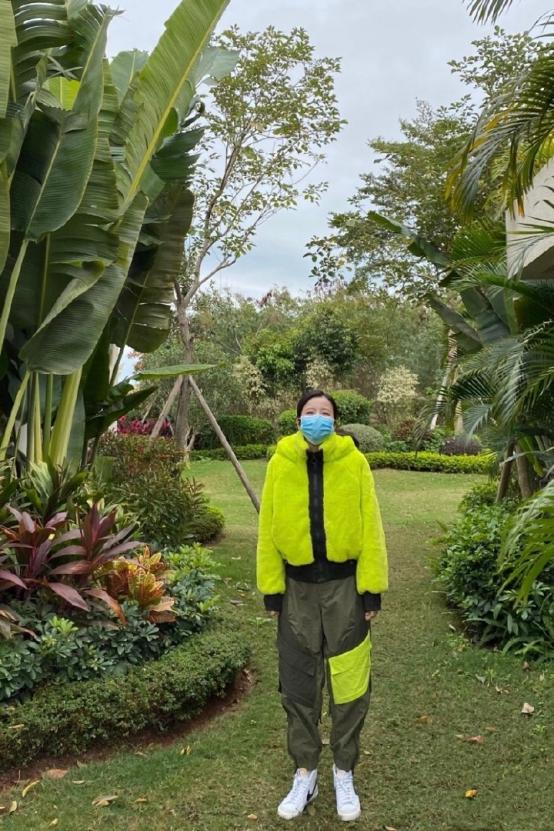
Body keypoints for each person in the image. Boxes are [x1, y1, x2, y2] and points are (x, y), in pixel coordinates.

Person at [256, 389, 388, 822]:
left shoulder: (354, 463)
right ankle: (305, 771)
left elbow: (371, 527)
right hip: (296, 592)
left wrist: (371, 590)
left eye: (324, 413)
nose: (317, 418)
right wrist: (272, 590)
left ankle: (344, 768)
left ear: (335, 421)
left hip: (344, 589)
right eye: (309, 413)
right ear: (298, 421)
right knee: (298, 683)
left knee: (349, 683)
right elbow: (267, 529)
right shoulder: (280, 463)